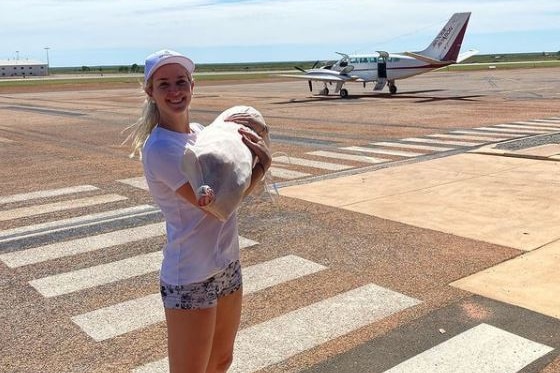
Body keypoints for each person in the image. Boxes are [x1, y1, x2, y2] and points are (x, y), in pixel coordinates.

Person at [124, 49, 271, 373]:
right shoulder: (161, 148)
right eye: (164, 84)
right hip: (190, 274)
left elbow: (230, 178)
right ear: (150, 92)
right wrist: (261, 169)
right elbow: (216, 207)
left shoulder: (202, 133)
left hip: (227, 262)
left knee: (221, 361)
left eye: (181, 82)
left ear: (192, 85)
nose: (175, 91)